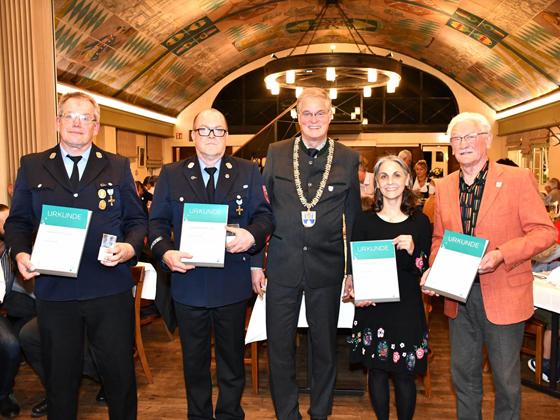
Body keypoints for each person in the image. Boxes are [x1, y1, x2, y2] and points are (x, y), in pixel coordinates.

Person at [4, 91, 147, 420]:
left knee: (119, 377)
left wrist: (129, 247)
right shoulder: (33, 165)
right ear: (57, 122)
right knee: (60, 379)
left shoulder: (117, 165)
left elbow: (137, 221)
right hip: (56, 291)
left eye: (86, 118)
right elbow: (18, 222)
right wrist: (21, 252)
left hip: (108, 288)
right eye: (70, 116)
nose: (77, 123)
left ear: (96, 126)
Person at [420, 112, 556, 420]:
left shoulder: (518, 179)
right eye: (457, 139)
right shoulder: (444, 186)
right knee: (463, 378)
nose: (463, 144)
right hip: (459, 297)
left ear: (487, 141)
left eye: (470, 137)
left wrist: (502, 253)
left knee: (506, 383)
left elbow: (544, 232)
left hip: (505, 293)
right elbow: (439, 240)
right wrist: (434, 267)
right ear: (451, 147)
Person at [148, 108, 274, 420]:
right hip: (188, 282)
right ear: (193, 136)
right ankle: (199, 415)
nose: (211, 137)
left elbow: (265, 216)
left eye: (218, 131)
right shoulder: (172, 174)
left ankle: (231, 413)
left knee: (232, 360)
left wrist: (251, 236)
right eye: (204, 130)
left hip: (231, 282)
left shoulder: (247, 171)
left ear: (227, 136)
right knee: (194, 361)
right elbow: (157, 225)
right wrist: (165, 253)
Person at [252, 87, 361, 420]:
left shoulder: (347, 157)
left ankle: (320, 413)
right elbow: (261, 211)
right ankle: (287, 414)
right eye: (306, 113)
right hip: (282, 266)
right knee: (280, 349)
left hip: (327, 268)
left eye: (320, 113)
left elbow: (353, 218)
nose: (313, 119)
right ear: (296, 116)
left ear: (330, 115)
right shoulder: (276, 151)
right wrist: (257, 264)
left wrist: (352, 271)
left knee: (325, 348)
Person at [344, 155, 431, 419]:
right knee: (377, 372)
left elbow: (424, 270)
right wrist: (356, 289)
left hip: (406, 307)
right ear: (376, 183)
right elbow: (353, 265)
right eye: (384, 176)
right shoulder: (364, 221)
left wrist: (414, 249)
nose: (390, 181)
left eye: (396, 175)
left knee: (405, 375)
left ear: (407, 180)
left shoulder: (420, 222)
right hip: (374, 307)